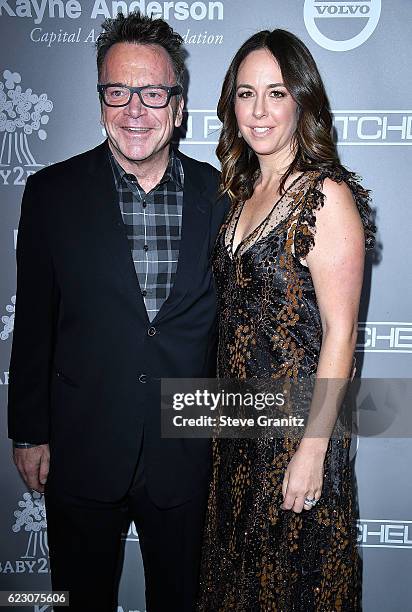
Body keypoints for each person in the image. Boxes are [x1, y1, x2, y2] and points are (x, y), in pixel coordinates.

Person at [8, 11, 227, 612]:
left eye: (154, 92)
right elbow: (34, 324)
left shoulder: (224, 196)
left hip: (186, 450)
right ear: (101, 101)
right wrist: (29, 432)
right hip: (81, 447)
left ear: (179, 105)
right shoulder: (52, 194)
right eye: (118, 91)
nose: (136, 109)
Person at [197, 29, 375, 611]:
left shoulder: (327, 197)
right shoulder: (242, 190)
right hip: (237, 437)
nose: (259, 110)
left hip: (295, 439)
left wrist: (313, 449)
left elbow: (342, 335)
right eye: (246, 94)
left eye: (276, 93)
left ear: (302, 99)